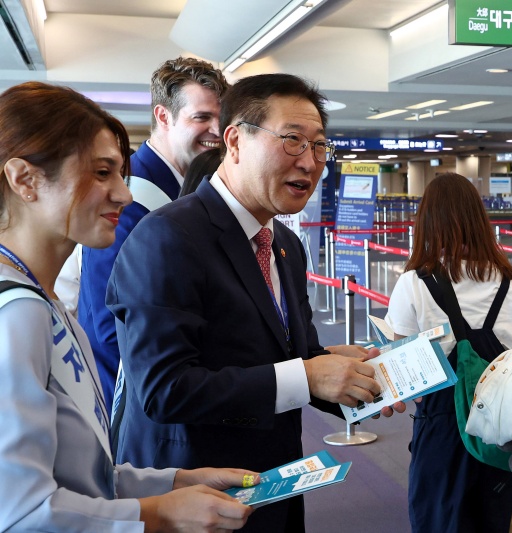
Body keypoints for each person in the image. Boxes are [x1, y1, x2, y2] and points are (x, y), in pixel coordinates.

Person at [107, 73, 404, 533]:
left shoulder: (284, 243)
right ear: (235, 140)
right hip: (198, 498)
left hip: (275, 487)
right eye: (292, 140)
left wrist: (348, 377)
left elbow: (293, 358)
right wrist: (307, 375)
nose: (309, 162)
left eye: (320, 145)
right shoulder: (169, 236)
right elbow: (163, 389)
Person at [0, 81, 258, 532]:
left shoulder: (44, 303)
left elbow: (79, 477)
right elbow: (22, 514)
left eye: (119, 173)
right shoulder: (15, 314)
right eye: (102, 173)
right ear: (24, 179)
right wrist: (159, 514)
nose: (123, 193)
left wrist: (172, 482)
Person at [385, 172, 512, 533]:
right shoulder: (509, 281)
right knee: (492, 517)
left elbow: (400, 369)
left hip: (439, 430)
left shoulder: (414, 283)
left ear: (428, 221)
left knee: (438, 518)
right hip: (496, 431)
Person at [78, 56, 229, 411]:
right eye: (202, 117)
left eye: (222, 119)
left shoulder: (193, 192)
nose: (217, 130)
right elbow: (111, 323)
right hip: (137, 401)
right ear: (164, 117)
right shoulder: (128, 198)